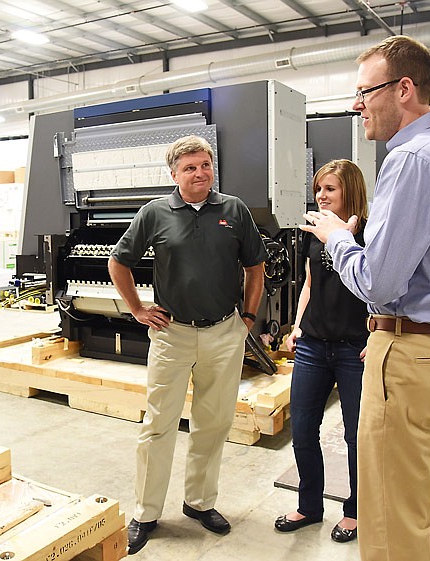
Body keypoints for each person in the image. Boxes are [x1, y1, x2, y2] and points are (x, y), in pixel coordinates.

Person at [301, 35, 430, 561]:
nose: (357, 105)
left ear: (404, 88)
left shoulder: (412, 158)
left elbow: (380, 283)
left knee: (392, 520)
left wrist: (336, 237)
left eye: (365, 92)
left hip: (409, 357)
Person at [108, 135, 268, 555]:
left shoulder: (233, 210)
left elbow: (256, 266)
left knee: (212, 424)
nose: (200, 173)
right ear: (174, 174)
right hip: (172, 335)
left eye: (205, 165)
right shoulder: (155, 213)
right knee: (158, 425)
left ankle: (199, 503)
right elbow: (119, 261)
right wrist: (138, 308)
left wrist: (248, 318)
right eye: (190, 168)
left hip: (223, 334)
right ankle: (145, 512)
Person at [274, 160, 369, 543]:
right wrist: (297, 326)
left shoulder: (372, 233)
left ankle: (357, 510)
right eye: (318, 190)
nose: (321, 196)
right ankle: (309, 506)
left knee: (356, 435)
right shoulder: (316, 233)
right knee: (303, 429)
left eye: (330, 189)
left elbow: (382, 288)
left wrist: (376, 337)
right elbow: (310, 284)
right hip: (313, 344)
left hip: (353, 349)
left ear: (351, 191)